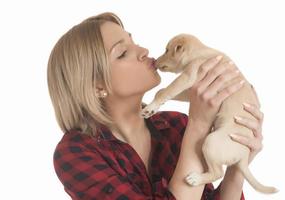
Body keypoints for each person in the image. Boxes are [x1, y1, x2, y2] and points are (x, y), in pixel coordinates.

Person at [47, 12, 264, 200]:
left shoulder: (176, 127)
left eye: (134, 41)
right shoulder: (76, 153)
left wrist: (238, 166)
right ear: (97, 86)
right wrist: (199, 124)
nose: (143, 50)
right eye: (123, 53)